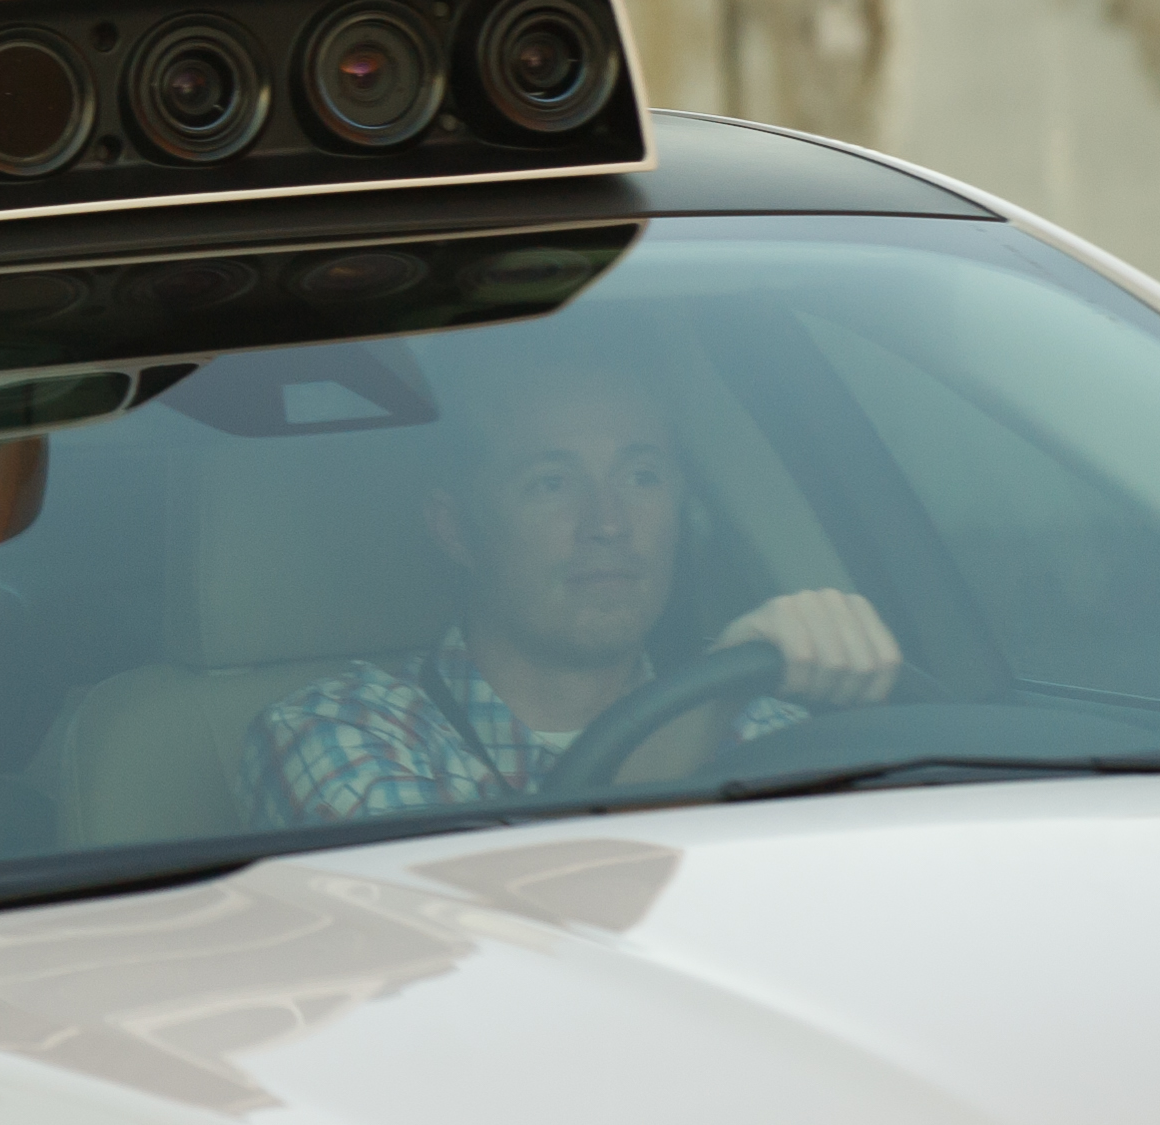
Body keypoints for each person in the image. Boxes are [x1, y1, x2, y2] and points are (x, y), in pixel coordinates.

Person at [246, 353, 902, 825]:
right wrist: (708, 706)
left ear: (680, 506)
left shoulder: (766, 727)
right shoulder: (339, 734)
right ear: (455, 530)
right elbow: (493, 956)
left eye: (641, 476)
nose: (608, 522)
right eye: (550, 484)